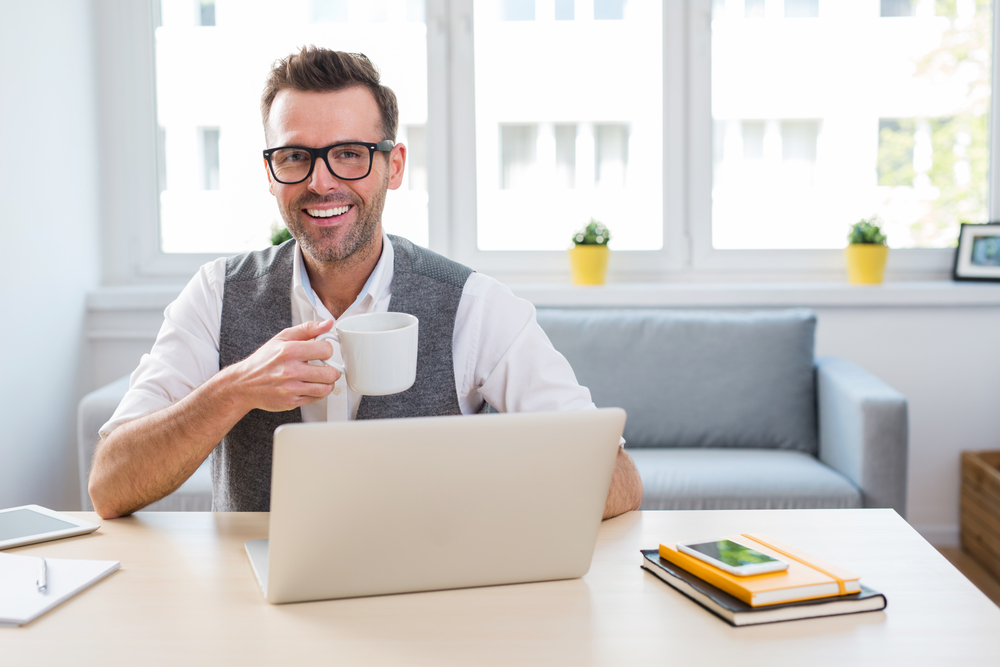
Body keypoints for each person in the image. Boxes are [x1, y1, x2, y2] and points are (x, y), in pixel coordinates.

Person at [89, 47, 643, 520]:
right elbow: (109, 486)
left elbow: (621, 483)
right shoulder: (215, 295)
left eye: (350, 154)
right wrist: (233, 390)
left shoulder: (476, 307)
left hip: (423, 606)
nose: (321, 181)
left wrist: (488, 470)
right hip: (256, 615)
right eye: (295, 157)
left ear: (393, 166)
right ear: (270, 173)